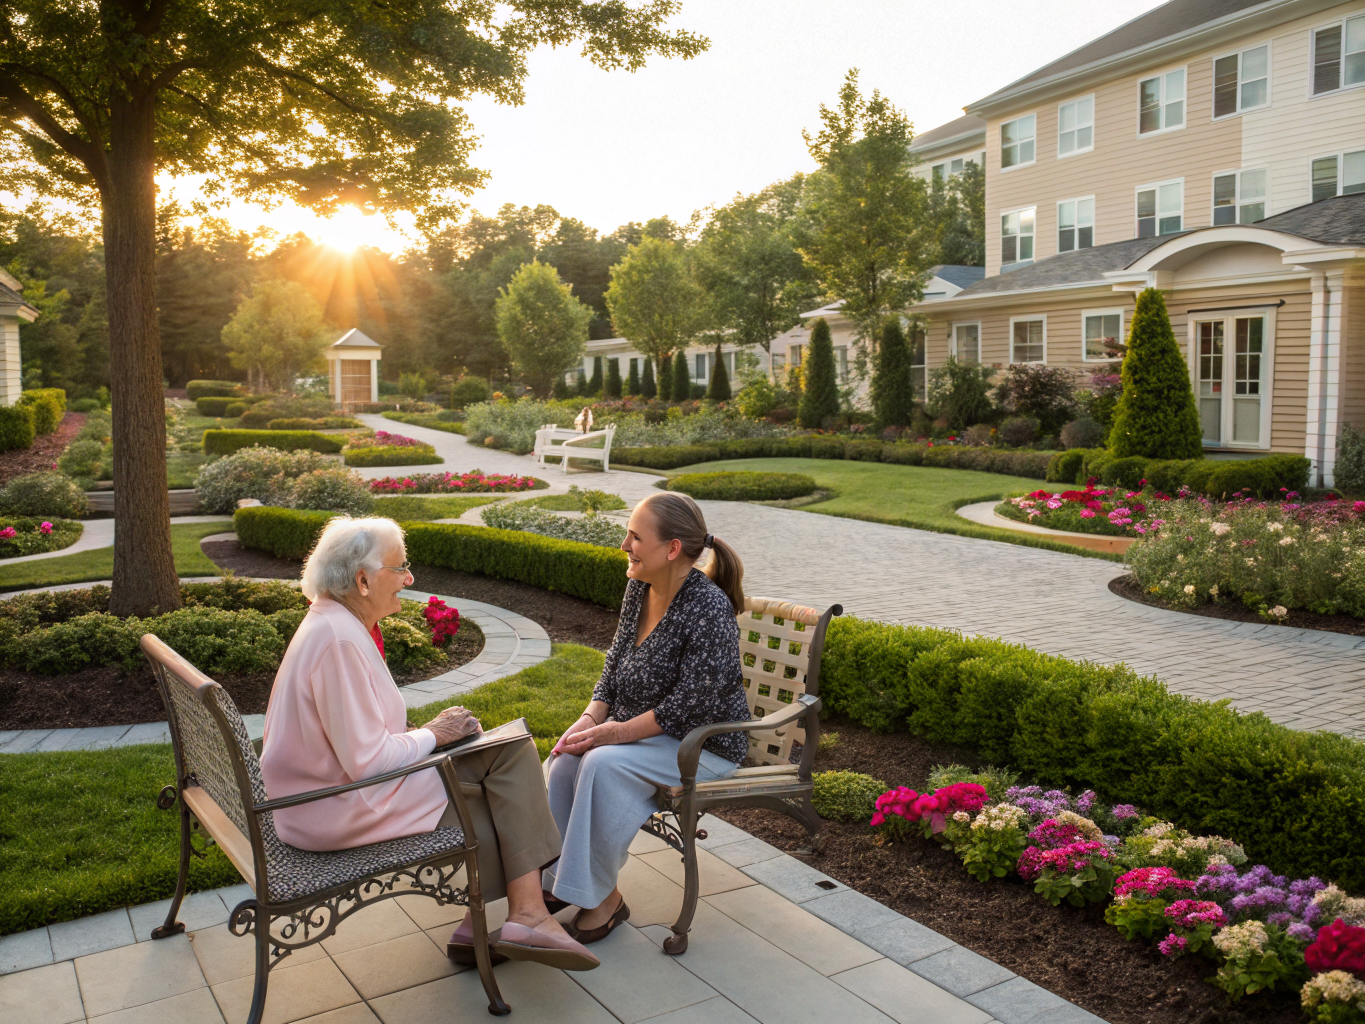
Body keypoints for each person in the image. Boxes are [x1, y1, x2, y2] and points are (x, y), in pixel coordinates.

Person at [259, 516, 597, 971]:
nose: (409, 578)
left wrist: (429, 737)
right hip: (334, 807)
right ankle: (526, 915)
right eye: (399, 568)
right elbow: (367, 762)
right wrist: (434, 735)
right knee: (510, 757)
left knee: (498, 767)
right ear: (362, 580)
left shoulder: (331, 622)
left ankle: (499, 921)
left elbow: (358, 742)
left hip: (319, 799)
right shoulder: (338, 640)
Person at [543, 491, 750, 943]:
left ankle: (602, 901)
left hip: (704, 744)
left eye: (635, 536)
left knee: (600, 762)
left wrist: (612, 734)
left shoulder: (708, 608)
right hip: (653, 737)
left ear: (672, 548)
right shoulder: (639, 588)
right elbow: (615, 661)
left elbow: (689, 708)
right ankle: (558, 884)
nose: (624, 545)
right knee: (565, 758)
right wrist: (590, 718)